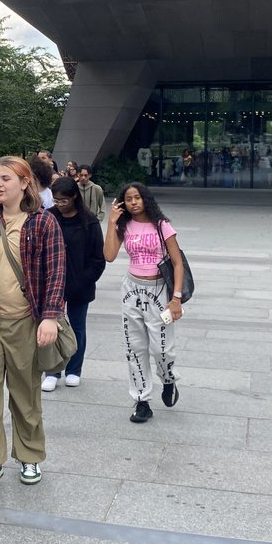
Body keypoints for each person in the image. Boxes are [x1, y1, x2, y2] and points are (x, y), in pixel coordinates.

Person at [0, 156, 66, 493]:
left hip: (27, 321)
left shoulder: (43, 223)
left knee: (25, 393)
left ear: (24, 183)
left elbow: (55, 274)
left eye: (6, 178)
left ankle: (30, 454)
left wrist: (49, 316)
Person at [104, 181, 185, 424]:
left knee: (162, 349)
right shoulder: (124, 226)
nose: (133, 202)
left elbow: (178, 263)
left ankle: (168, 378)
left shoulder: (162, 226)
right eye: (128, 199)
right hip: (132, 291)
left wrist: (176, 299)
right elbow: (108, 256)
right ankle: (141, 401)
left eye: (137, 197)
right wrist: (111, 222)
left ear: (145, 198)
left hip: (159, 291)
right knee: (134, 347)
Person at [42, 177, 106, 391]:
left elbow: (98, 259)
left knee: (77, 327)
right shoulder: (48, 217)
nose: (59, 204)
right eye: (56, 200)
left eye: (64, 201)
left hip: (80, 283)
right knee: (52, 325)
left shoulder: (89, 222)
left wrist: (84, 280)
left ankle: (74, 370)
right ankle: (52, 371)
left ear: (74, 198)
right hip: (53, 282)